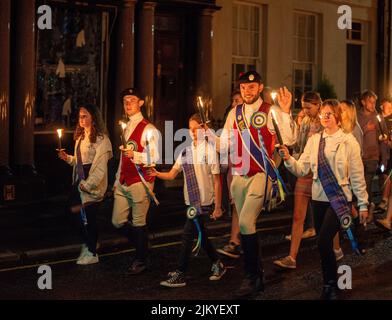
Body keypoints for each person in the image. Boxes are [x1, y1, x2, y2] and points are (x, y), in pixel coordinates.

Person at [208, 70, 297, 297]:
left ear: (260, 87)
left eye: (252, 86)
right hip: (238, 177)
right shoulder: (234, 113)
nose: (247, 90)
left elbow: (289, 139)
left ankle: (252, 277)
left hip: (262, 174)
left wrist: (286, 112)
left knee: (246, 223)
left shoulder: (271, 111)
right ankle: (256, 275)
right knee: (248, 225)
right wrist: (207, 135)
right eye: (243, 87)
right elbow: (224, 145)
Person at [279, 99, 368, 300]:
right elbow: (302, 169)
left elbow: (357, 175)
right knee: (324, 244)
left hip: (339, 199)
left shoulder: (348, 141)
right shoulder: (314, 140)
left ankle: (331, 284)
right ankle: (330, 280)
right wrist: (287, 159)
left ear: (337, 116)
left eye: (329, 114)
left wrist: (362, 203)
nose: (325, 117)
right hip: (318, 198)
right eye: (323, 114)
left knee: (323, 240)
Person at [150, 114, 226, 287]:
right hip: (189, 201)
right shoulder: (185, 151)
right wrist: (156, 173)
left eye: (196, 128)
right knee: (202, 235)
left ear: (203, 129)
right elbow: (172, 174)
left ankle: (181, 273)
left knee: (187, 235)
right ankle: (218, 263)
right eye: (189, 129)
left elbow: (217, 181)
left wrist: (218, 206)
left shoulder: (210, 150)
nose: (192, 132)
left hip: (204, 202)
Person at [111, 88, 159, 275]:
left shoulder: (149, 128)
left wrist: (136, 155)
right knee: (117, 221)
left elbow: (154, 158)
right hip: (123, 180)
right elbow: (123, 158)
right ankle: (143, 243)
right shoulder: (126, 126)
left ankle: (140, 260)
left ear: (141, 103)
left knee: (139, 221)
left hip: (140, 181)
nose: (128, 104)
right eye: (125, 101)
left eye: (132, 100)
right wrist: (116, 179)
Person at [58, 104, 113, 265]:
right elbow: (79, 161)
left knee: (89, 218)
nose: (81, 119)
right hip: (80, 181)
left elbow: (100, 167)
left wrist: (88, 185)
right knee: (71, 214)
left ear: (93, 118)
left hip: (92, 183)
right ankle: (89, 243)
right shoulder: (81, 138)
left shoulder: (103, 141)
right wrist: (67, 158)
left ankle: (92, 252)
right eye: (80, 116)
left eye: (85, 116)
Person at [274, 92, 323, 270]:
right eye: (303, 107)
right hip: (304, 171)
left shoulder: (325, 121)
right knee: (297, 216)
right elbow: (295, 142)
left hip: (320, 175)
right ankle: (292, 257)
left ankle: (336, 249)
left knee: (325, 217)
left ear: (318, 104)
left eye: (308, 107)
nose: (305, 111)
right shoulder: (305, 121)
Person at [218, 91, 243, 258]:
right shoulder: (231, 116)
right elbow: (223, 144)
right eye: (232, 100)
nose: (233, 103)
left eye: (236, 100)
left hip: (245, 168)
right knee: (236, 206)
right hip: (232, 168)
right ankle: (235, 240)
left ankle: (238, 241)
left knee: (242, 207)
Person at [357, 90, 388, 222]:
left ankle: (368, 209)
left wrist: (384, 157)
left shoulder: (378, 117)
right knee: (358, 184)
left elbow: (384, 136)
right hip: (359, 155)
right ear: (363, 102)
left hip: (372, 156)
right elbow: (355, 133)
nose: (373, 104)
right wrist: (366, 129)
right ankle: (362, 209)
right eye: (370, 102)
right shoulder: (357, 116)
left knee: (367, 183)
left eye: (374, 102)